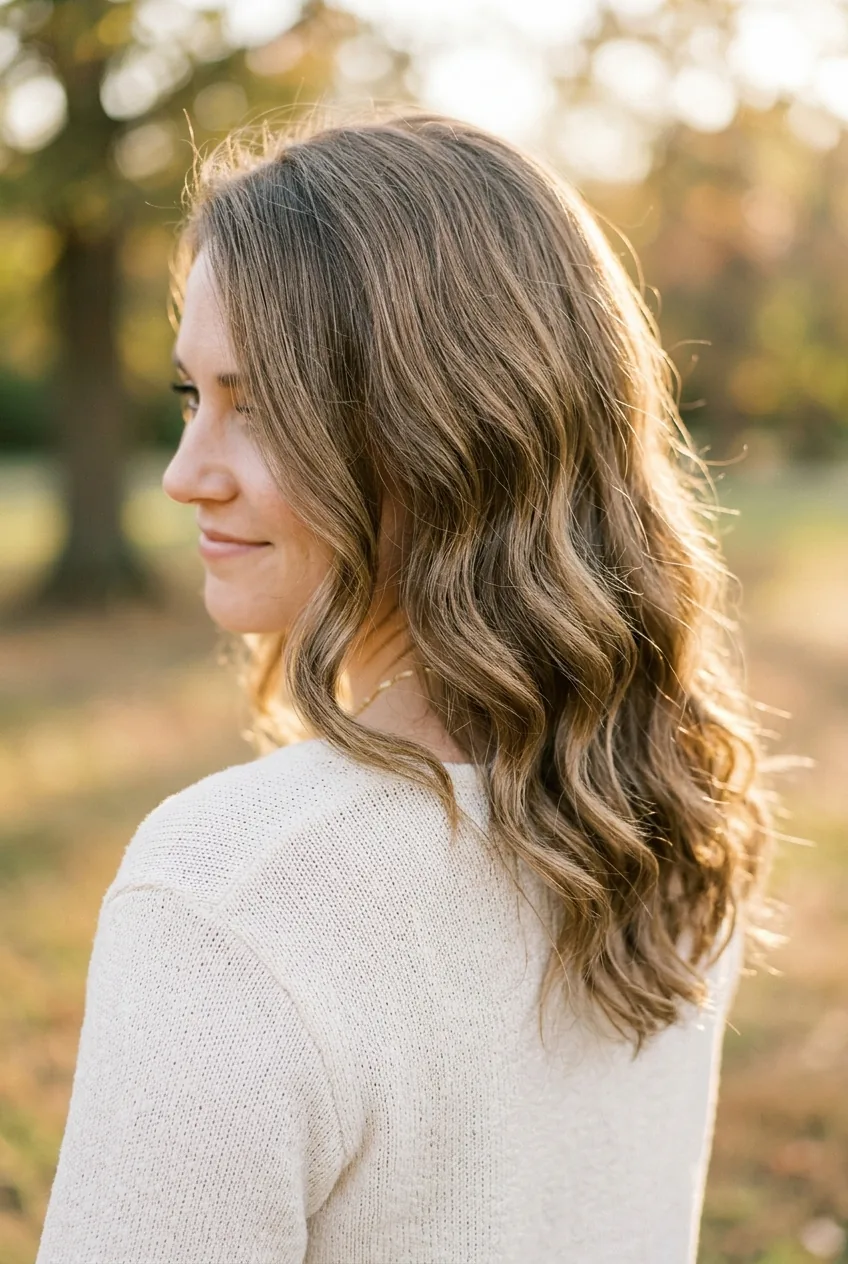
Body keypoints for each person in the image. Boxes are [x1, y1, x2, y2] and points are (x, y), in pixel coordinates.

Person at [36, 108, 778, 1263]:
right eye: (191, 397)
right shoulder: (664, 804)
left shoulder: (230, 893)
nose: (184, 473)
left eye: (255, 403)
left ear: (444, 430)